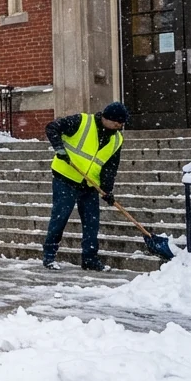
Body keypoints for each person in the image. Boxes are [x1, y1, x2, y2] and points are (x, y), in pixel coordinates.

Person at [42, 102, 129, 272]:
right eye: (118, 122)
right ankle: (49, 256)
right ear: (107, 118)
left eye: (122, 123)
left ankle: (89, 259)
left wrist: (107, 190)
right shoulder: (82, 121)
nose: (120, 126)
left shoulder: (117, 139)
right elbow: (52, 128)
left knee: (92, 222)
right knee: (60, 217)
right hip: (66, 178)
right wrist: (59, 148)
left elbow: (110, 168)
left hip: (89, 185)